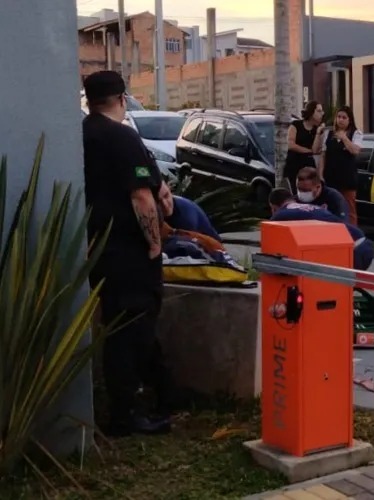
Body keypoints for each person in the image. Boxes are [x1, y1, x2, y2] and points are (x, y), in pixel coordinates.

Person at [82, 70, 172, 437]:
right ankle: (126, 414)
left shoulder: (83, 134)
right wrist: (154, 243)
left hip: (98, 248)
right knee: (131, 329)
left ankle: (160, 394)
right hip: (128, 250)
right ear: (122, 98)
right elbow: (141, 196)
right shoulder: (121, 136)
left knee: (123, 327)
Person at [268, 188, 374, 271]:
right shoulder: (308, 208)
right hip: (362, 242)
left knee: (327, 284)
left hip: (352, 249)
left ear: (274, 207)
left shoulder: (282, 213)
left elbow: (271, 236)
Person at [316, 105, 363, 226]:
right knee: (331, 207)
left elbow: (355, 151)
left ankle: (352, 234)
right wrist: (320, 174)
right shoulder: (329, 134)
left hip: (347, 178)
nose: (341, 120)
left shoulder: (356, 133)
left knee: (349, 209)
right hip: (330, 177)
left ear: (349, 120)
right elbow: (323, 155)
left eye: (344, 117)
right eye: (339, 117)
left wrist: (344, 138)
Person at [285, 101, 326, 193]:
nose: (322, 114)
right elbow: (291, 145)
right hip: (294, 164)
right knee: (295, 191)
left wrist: (318, 133)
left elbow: (315, 150)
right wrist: (308, 151)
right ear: (311, 112)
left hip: (308, 165)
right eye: (319, 111)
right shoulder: (296, 124)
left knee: (309, 191)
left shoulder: (317, 129)